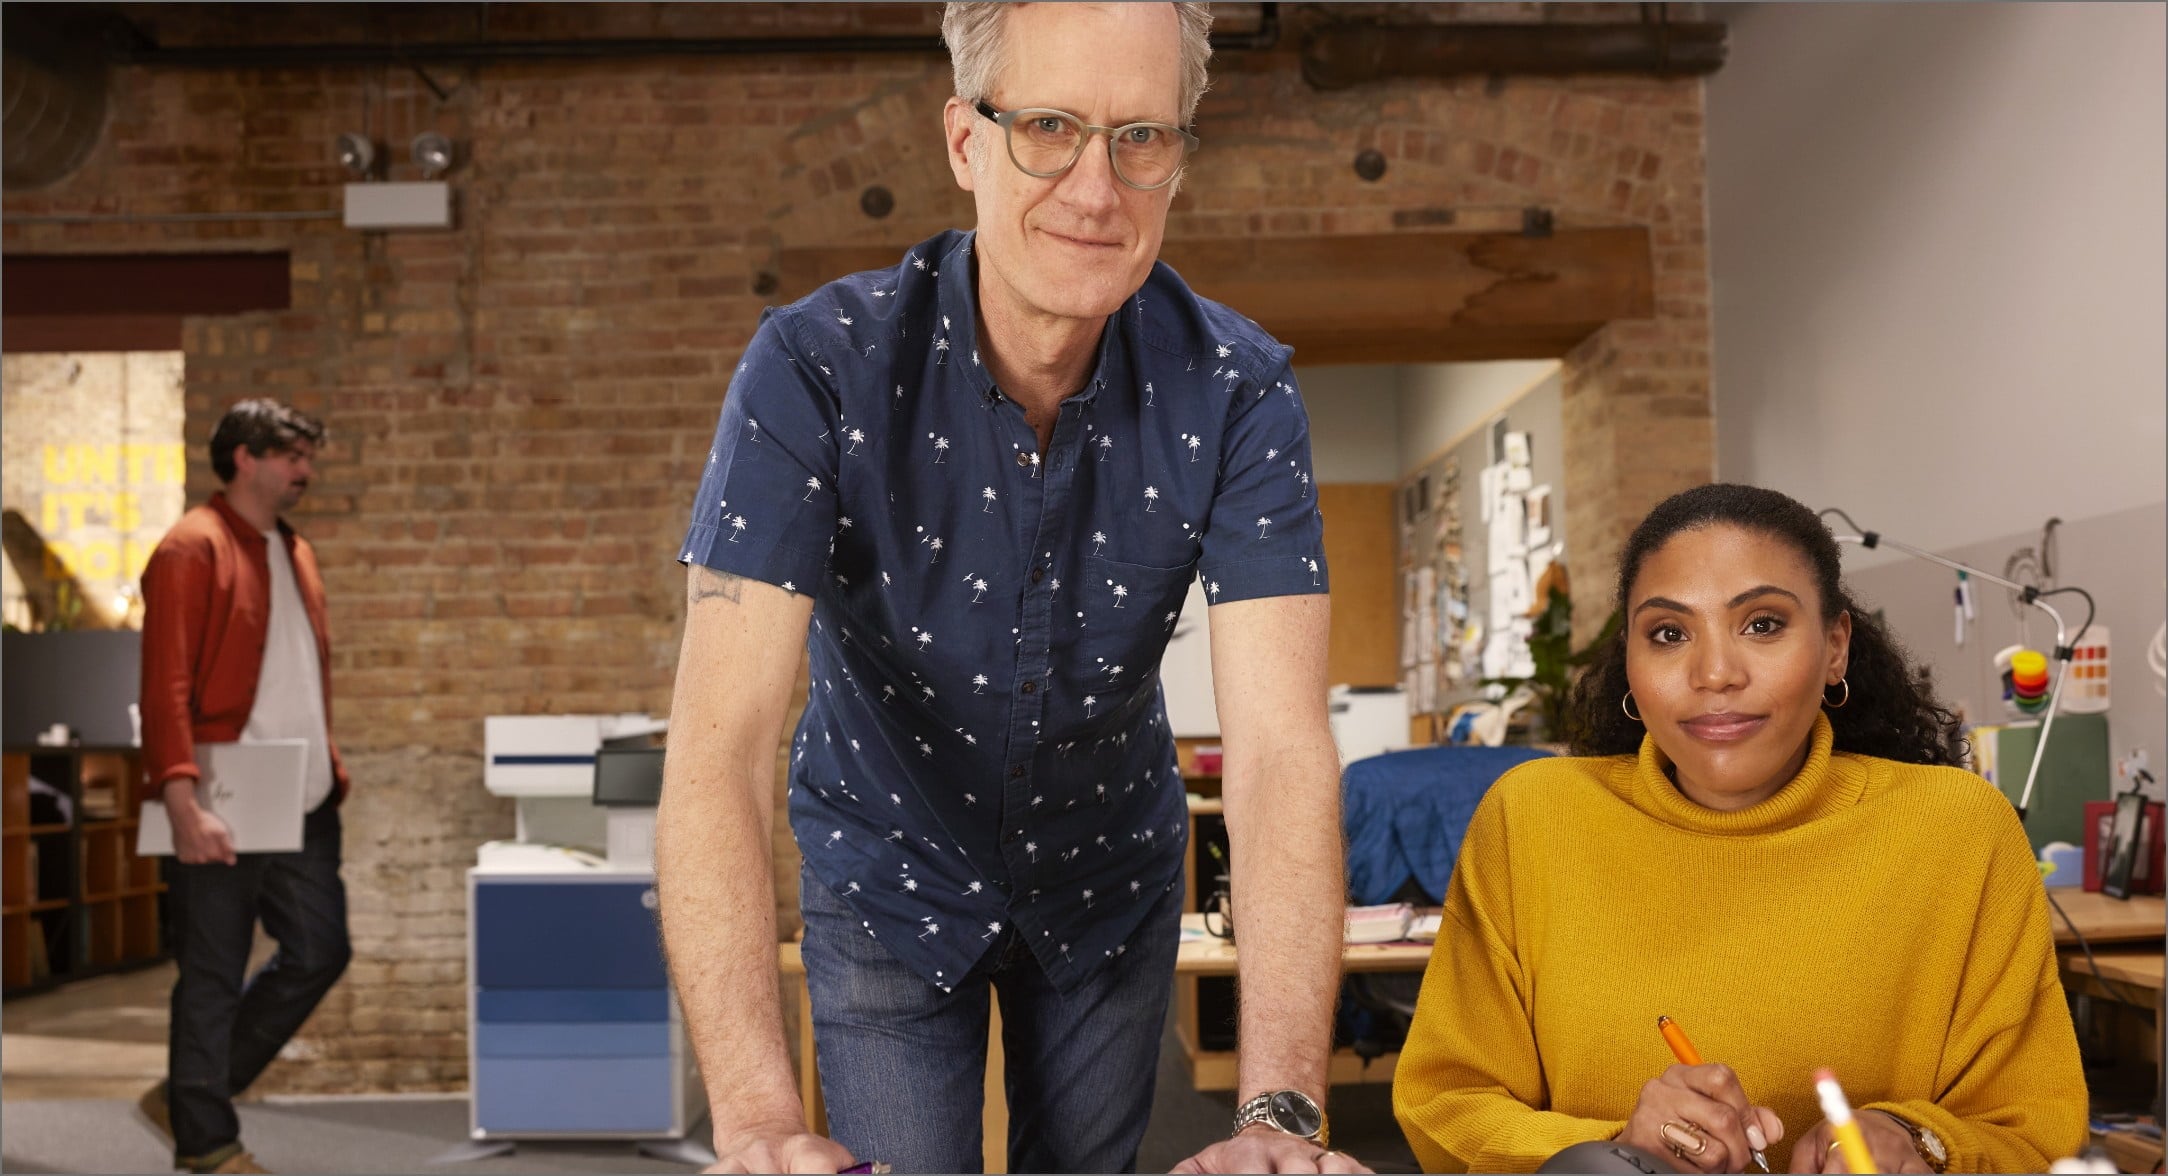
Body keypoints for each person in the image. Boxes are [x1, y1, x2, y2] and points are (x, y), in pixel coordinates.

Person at [658, 4, 1366, 1173]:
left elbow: (1282, 751)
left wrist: (1278, 1112)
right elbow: (715, 751)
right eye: (1047, 126)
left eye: (1141, 137)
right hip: (884, 861)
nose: (1096, 190)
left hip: (1105, 873)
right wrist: (756, 1122)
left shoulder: (1238, 389)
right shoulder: (813, 368)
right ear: (962, 141)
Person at [1392, 483, 2088, 1174]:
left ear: (1836, 645)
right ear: (1630, 662)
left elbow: (2035, 1130)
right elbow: (1446, 1104)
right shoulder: (1531, 819)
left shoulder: (1960, 829)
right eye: (1669, 634)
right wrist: (1622, 1155)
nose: (1715, 673)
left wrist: (1920, 1142)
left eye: (1762, 624)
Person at [134, 399, 352, 1175]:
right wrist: (180, 798)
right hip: (223, 793)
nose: (305, 472)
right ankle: (207, 1143)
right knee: (213, 972)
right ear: (244, 459)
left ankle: (196, 1092)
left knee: (321, 949)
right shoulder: (191, 549)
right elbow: (165, 683)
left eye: (306, 456)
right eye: (292, 455)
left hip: (303, 794)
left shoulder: (295, 550)